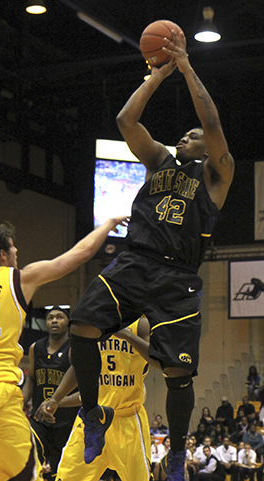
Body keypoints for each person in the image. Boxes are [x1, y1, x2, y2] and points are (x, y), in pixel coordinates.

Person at [65, 26, 234, 480]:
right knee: (82, 324)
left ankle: (177, 453)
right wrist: (157, 75)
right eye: (184, 134)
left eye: (191, 135)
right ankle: (94, 412)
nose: (186, 136)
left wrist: (185, 64)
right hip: (134, 261)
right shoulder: (159, 161)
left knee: (178, 375)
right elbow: (126, 121)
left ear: (206, 148)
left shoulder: (217, 176)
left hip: (178, 276)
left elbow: (213, 123)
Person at [0, 216, 127, 481]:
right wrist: (108, 225)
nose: (17, 252)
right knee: (23, 475)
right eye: (13, 247)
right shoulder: (19, 279)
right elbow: (80, 254)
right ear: (3, 254)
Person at [38, 316, 160, 481]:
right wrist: (56, 399)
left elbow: (159, 360)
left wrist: (129, 336)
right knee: (66, 477)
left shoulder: (140, 324)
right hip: (91, 420)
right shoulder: (89, 323)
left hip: (127, 421)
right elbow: (78, 368)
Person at [22, 306, 79, 481]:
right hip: (39, 419)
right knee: (31, 459)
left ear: (67, 323)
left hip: (66, 423)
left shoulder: (74, 349)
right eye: (50, 318)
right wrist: (20, 404)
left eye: (59, 317)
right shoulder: (35, 348)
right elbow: (31, 379)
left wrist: (56, 402)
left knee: (57, 473)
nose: (54, 320)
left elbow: (83, 391)